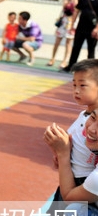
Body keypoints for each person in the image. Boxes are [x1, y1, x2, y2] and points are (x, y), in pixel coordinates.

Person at [44, 59, 98, 214]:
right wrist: (59, 153)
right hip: (71, 174)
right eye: (74, 85)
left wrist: (63, 155)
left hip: (82, 180)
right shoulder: (84, 114)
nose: (76, 90)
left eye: (83, 85)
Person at [63, 0, 98, 73]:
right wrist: (72, 25)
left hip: (93, 29)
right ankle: (71, 66)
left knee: (91, 49)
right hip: (81, 28)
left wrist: (97, 29)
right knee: (76, 47)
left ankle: (91, 70)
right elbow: (76, 11)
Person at [49, 0, 81, 68]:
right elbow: (64, 6)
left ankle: (64, 61)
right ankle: (52, 58)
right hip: (63, 21)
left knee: (68, 43)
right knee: (57, 41)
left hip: (72, 22)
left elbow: (77, 7)